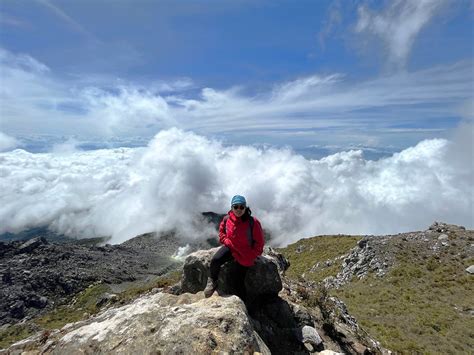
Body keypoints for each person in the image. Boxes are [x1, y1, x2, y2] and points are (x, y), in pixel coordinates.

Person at [204, 195, 265, 299]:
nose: (239, 209)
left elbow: (259, 242)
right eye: (236, 207)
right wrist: (225, 240)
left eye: (242, 207)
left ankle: (244, 304)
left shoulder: (252, 222)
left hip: (246, 253)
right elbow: (222, 232)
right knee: (215, 260)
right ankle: (213, 281)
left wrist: (252, 255)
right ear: (231, 208)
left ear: (246, 208)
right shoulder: (227, 219)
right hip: (231, 247)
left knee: (238, 280)